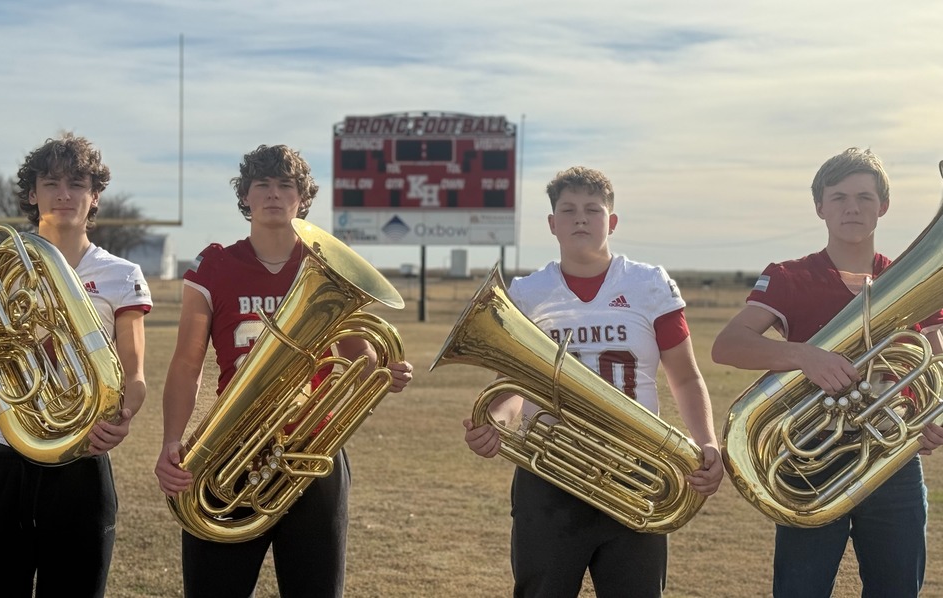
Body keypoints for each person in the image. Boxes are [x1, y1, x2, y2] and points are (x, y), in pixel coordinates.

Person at [153, 143, 414, 598]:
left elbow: (359, 356)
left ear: (302, 198)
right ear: (246, 197)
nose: (274, 194)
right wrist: (172, 440)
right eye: (263, 184)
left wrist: (384, 371)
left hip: (312, 448)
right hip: (231, 444)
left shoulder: (326, 264)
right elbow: (186, 362)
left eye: (285, 185)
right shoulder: (213, 264)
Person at [462, 165, 723, 598]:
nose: (580, 219)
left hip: (636, 468)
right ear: (552, 224)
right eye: (568, 210)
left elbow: (685, 376)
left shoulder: (648, 284)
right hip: (550, 470)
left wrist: (707, 440)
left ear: (612, 221)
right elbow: (510, 386)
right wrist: (494, 423)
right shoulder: (527, 292)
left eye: (592, 210)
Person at [711, 147, 943, 598]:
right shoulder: (787, 276)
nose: (851, 207)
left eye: (864, 197)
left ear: (884, 207)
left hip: (893, 460)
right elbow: (727, 346)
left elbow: (933, 356)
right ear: (820, 207)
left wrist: (929, 417)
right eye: (838, 197)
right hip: (808, 462)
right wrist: (805, 356)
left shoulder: (914, 279)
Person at [0, 133, 152, 597]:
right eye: (51, 182)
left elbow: (135, 376)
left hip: (81, 458)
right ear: (31, 193)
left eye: (77, 183)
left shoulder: (121, 275)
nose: (63, 193)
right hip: (2, 455)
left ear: (94, 195)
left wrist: (123, 417)